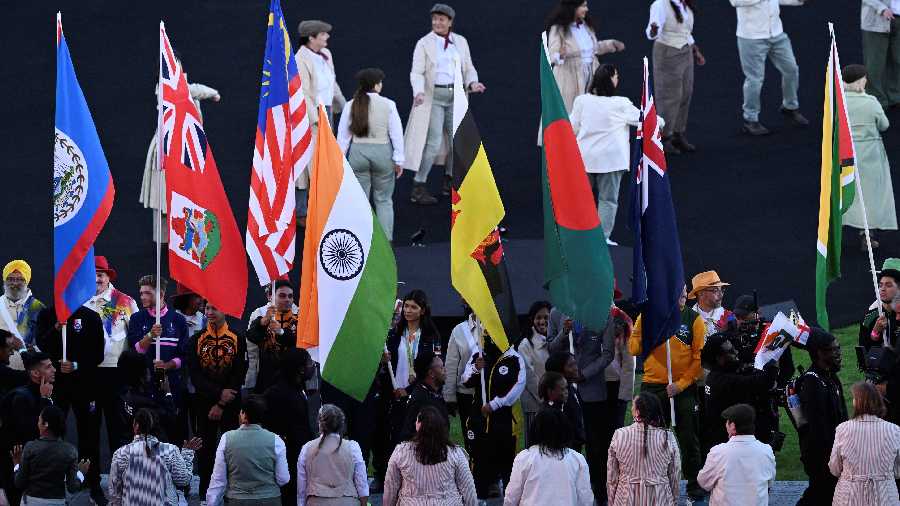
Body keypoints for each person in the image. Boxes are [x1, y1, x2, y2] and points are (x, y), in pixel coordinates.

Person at [628, 284, 706, 502]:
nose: (682, 295)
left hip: (683, 388)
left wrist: (680, 385)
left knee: (689, 437)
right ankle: (653, 483)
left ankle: (694, 485)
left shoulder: (694, 319)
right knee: (650, 439)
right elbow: (633, 348)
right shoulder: (648, 315)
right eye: (676, 290)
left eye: (683, 291)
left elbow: (699, 360)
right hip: (652, 386)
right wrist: (649, 337)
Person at [404, 3, 485, 205]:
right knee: (432, 143)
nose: (437, 23)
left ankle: (450, 181)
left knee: (456, 141)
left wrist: (473, 82)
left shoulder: (460, 42)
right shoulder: (424, 43)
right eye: (434, 19)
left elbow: (468, 68)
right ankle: (419, 185)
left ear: (450, 22)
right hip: (434, 97)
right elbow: (416, 72)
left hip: (456, 96)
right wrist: (419, 91)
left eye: (441, 19)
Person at [35, 304, 106, 503]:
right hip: (57, 385)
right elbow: (41, 344)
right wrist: (57, 328)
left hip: (85, 385)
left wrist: (76, 365)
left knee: (89, 435)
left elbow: (98, 354)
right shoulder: (48, 314)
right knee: (52, 433)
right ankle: (52, 481)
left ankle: (92, 482)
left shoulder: (91, 316)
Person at [140, 69, 220, 243]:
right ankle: (168, 244)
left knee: (186, 200)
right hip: (168, 149)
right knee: (163, 200)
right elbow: (194, 90)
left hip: (184, 149)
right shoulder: (166, 88)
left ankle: (185, 242)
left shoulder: (182, 88)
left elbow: (193, 90)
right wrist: (213, 93)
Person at [548, 307, 616, 499]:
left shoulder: (602, 312)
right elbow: (551, 349)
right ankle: (567, 491)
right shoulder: (556, 313)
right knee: (567, 444)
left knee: (597, 448)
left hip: (593, 391)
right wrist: (564, 332)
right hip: (565, 392)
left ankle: (600, 493)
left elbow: (608, 353)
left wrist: (583, 374)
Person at [570, 64, 640, 244]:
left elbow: (572, 127)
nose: (618, 79)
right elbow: (645, 119)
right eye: (616, 76)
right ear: (610, 81)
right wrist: (662, 123)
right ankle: (602, 239)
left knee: (581, 199)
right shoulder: (621, 104)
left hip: (585, 159)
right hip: (611, 162)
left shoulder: (582, 101)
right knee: (608, 200)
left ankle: (580, 235)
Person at [337, 68, 405, 241]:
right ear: (376, 85)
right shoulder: (389, 104)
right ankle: (385, 241)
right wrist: (399, 159)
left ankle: (361, 239)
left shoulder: (351, 105)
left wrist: (339, 161)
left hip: (358, 153)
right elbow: (396, 134)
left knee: (360, 202)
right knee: (384, 200)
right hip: (383, 152)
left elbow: (343, 138)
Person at [188, 303, 248, 500]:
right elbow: (195, 376)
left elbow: (239, 373)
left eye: (214, 308)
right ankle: (206, 496)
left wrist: (222, 403)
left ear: (225, 310)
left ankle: (233, 495)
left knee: (232, 451)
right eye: (207, 308)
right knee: (205, 452)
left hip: (230, 405)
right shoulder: (196, 339)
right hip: (204, 404)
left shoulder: (237, 337)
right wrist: (217, 395)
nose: (209, 312)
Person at [85, 255, 140, 458]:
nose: (97, 279)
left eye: (100, 275)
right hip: (89, 374)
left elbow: (136, 339)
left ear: (108, 277)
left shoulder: (126, 301)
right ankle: (90, 480)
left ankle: (122, 475)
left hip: (117, 375)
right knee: (90, 428)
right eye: (93, 275)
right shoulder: (80, 301)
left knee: (119, 428)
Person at [461, 329, 526, 499]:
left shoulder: (514, 358)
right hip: (479, 422)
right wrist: (476, 368)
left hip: (505, 424)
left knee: (508, 467)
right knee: (479, 464)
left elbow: (518, 386)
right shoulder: (479, 352)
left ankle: (509, 500)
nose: (490, 335)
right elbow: (465, 380)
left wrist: (495, 404)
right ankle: (479, 499)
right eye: (488, 331)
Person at [295, 19, 347, 226]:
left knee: (325, 160)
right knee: (306, 162)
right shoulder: (301, 59)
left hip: (326, 111)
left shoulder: (326, 55)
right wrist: (316, 120)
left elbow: (331, 83)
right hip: (311, 116)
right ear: (311, 37)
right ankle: (301, 211)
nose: (327, 37)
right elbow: (304, 93)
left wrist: (344, 106)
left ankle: (323, 208)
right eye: (323, 34)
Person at [729, 0, 809, 136]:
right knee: (754, 79)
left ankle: (790, 107)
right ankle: (750, 119)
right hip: (751, 37)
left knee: (791, 70)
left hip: (777, 34)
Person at [127, 275, 189, 442]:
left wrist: (167, 366)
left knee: (174, 435)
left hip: (171, 387)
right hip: (144, 390)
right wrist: (150, 335)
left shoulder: (178, 321)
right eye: (141, 293)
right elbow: (135, 350)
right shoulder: (137, 318)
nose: (142, 297)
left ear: (161, 294)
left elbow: (184, 356)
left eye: (147, 293)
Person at [842, 64, 897, 250]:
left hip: (847, 152)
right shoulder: (871, 102)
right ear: (859, 81)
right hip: (871, 152)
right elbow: (884, 125)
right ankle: (867, 233)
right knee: (872, 192)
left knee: (852, 191)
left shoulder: (838, 103)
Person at [383, 406, 478, 505]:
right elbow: (468, 489)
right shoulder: (456, 453)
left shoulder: (401, 452)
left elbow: (390, 487)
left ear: (418, 425)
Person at [796, 329, 849, 505]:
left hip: (835, 453)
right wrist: (833, 458)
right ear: (819, 353)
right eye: (834, 350)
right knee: (820, 495)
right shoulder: (812, 382)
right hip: (821, 457)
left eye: (839, 348)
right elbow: (817, 428)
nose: (839, 354)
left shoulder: (831, 377)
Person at [206, 395, 290, 505]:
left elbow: (218, 480)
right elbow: (283, 479)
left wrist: (211, 503)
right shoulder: (276, 440)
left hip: (237, 500)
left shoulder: (227, 438)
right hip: (269, 499)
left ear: (243, 414)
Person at [701, 333, 778, 452]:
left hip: (724, 441)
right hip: (729, 446)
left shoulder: (717, 376)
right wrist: (773, 359)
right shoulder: (722, 381)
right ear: (719, 358)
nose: (736, 352)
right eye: (731, 351)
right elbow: (762, 382)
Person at [544, 0, 625, 113]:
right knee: (571, 110)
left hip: (591, 74)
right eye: (583, 6)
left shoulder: (586, 27)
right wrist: (560, 55)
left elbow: (593, 48)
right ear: (573, 7)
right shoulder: (558, 29)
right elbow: (553, 54)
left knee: (592, 111)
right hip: (570, 76)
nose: (586, 9)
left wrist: (611, 44)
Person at [383, 289, 442, 443]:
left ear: (422, 311)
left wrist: (409, 390)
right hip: (395, 394)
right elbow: (387, 364)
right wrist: (384, 359)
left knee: (417, 439)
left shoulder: (431, 335)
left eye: (413, 307)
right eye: (406, 306)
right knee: (395, 438)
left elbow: (434, 369)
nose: (408, 310)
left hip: (419, 396)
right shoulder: (395, 334)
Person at [108, 408, 199, 506]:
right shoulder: (170, 450)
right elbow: (183, 480)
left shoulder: (120, 453)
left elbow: (114, 493)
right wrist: (187, 454)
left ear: (136, 426)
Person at [646, 0, 704, 154]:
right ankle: (664, 137)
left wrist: (695, 50)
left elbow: (686, 32)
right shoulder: (660, 4)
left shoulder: (685, 4)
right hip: (668, 52)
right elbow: (652, 31)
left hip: (685, 51)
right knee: (669, 96)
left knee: (686, 93)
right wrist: (653, 30)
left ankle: (678, 133)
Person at [503, 408, 594, 506]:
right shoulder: (577, 459)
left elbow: (511, 498)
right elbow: (585, 500)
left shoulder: (524, 458)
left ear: (535, 430)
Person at [829, 382, 900, 505]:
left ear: (857, 402)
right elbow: (898, 470)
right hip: (885, 497)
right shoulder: (893, 430)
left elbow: (834, 468)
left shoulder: (843, 429)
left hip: (849, 497)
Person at [0, 351, 54, 505]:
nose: (54, 370)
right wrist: (44, 400)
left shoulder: (44, 393)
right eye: (49, 367)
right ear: (35, 373)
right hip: (16, 464)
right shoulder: (21, 397)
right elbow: (35, 431)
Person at [607, 392, 680, 505]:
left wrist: (612, 501)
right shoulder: (667, 436)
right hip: (660, 498)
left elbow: (612, 475)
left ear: (637, 412)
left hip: (626, 498)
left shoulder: (619, 434)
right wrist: (674, 500)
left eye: (633, 406)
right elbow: (675, 474)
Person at [264, 348, 316, 505]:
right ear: (300, 369)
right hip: (287, 458)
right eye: (309, 363)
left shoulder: (297, 388)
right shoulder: (277, 393)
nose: (312, 366)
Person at [697, 403, 776, 505]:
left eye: (727, 422)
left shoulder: (718, 452)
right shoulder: (767, 451)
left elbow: (704, 482)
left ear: (733, 426)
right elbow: (769, 483)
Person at [11, 406, 90, 505]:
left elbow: (19, 483)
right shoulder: (70, 451)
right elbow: (72, 488)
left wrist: (17, 464)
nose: (37, 424)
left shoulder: (30, 448)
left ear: (45, 424)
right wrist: (81, 473)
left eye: (39, 420)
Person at [296, 404, 369, 506]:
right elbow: (362, 484)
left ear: (320, 424)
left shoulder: (307, 448)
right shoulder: (353, 447)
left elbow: (301, 489)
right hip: (348, 502)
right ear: (341, 424)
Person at [860, 258, 900, 423]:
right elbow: (863, 352)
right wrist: (875, 333)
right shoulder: (873, 314)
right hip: (880, 392)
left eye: (888, 285)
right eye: (880, 284)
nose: (882, 289)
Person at [116, 349, 178, 445]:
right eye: (147, 368)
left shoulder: (123, 396)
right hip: (150, 453)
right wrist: (167, 393)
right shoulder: (145, 404)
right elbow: (170, 418)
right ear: (141, 375)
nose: (149, 371)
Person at [247, 279, 299, 394]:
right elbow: (251, 338)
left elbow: (300, 344)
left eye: (290, 296)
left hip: (292, 380)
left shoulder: (299, 316)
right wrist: (263, 323)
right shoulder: (260, 315)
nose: (287, 300)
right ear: (270, 297)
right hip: (266, 379)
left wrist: (281, 332)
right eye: (282, 296)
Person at [515, 300, 551, 446]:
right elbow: (529, 376)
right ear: (532, 319)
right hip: (534, 405)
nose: (542, 321)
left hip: (552, 403)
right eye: (538, 317)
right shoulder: (525, 345)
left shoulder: (555, 341)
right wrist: (545, 399)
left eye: (546, 317)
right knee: (534, 446)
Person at [0, 259, 45, 368]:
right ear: (5, 281)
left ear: (27, 281)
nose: (15, 283)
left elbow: (45, 341)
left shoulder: (38, 308)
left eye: (20, 279)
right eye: (10, 279)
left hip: (29, 370)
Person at [443, 306, 477, 438]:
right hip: (467, 395)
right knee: (471, 438)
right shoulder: (459, 330)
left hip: (493, 394)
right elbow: (451, 366)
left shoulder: (496, 327)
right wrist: (449, 397)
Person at [400, 350, 448, 440]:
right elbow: (409, 435)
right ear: (431, 373)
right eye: (441, 368)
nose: (445, 370)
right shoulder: (420, 401)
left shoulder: (434, 393)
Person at [860, 0, 900, 108]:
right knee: (875, 64)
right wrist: (881, 8)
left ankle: (895, 96)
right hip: (876, 19)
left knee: (897, 61)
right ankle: (876, 99)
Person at [543, 352, 585, 449]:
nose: (576, 368)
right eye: (570, 365)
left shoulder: (571, 389)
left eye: (575, 363)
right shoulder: (560, 397)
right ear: (560, 371)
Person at [688, 270, 733, 337]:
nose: (721, 295)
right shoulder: (687, 319)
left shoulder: (730, 317)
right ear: (700, 293)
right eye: (715, 290)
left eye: (721, 290)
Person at [0, 330, 26, 398]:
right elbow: (30, 376)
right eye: (10, 349)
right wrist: (22, 350)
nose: (12, 353)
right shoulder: (3, 372)